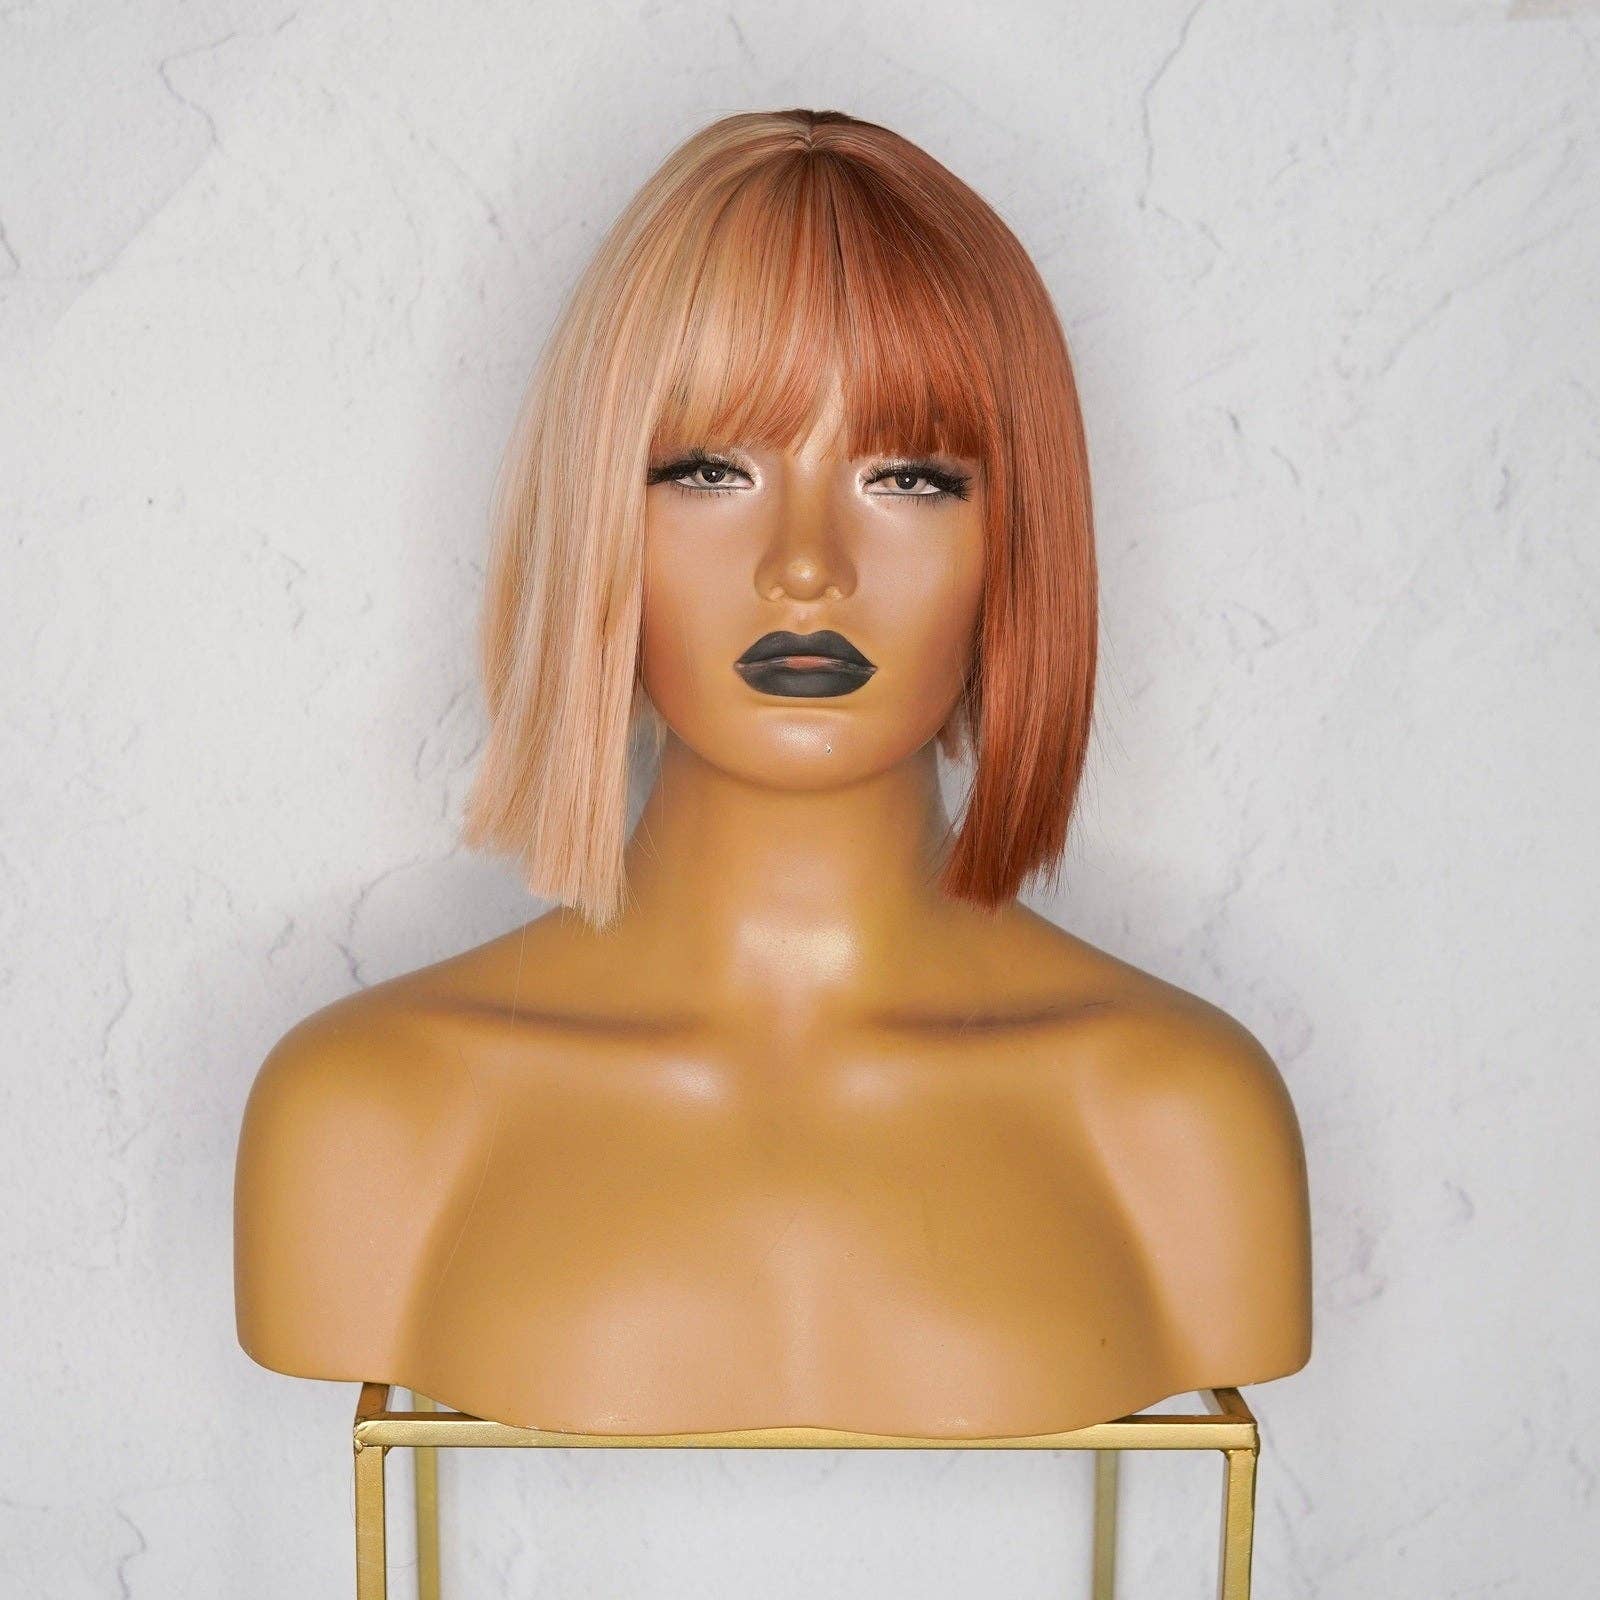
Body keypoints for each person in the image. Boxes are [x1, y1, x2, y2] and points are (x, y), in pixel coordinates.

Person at [234, 108, 1311, 1438]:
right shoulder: (365, 1114)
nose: (807, 566)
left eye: (908, 477)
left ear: (1019, 539)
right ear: (599, 513)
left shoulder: (1182, 1118)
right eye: (710, 470)